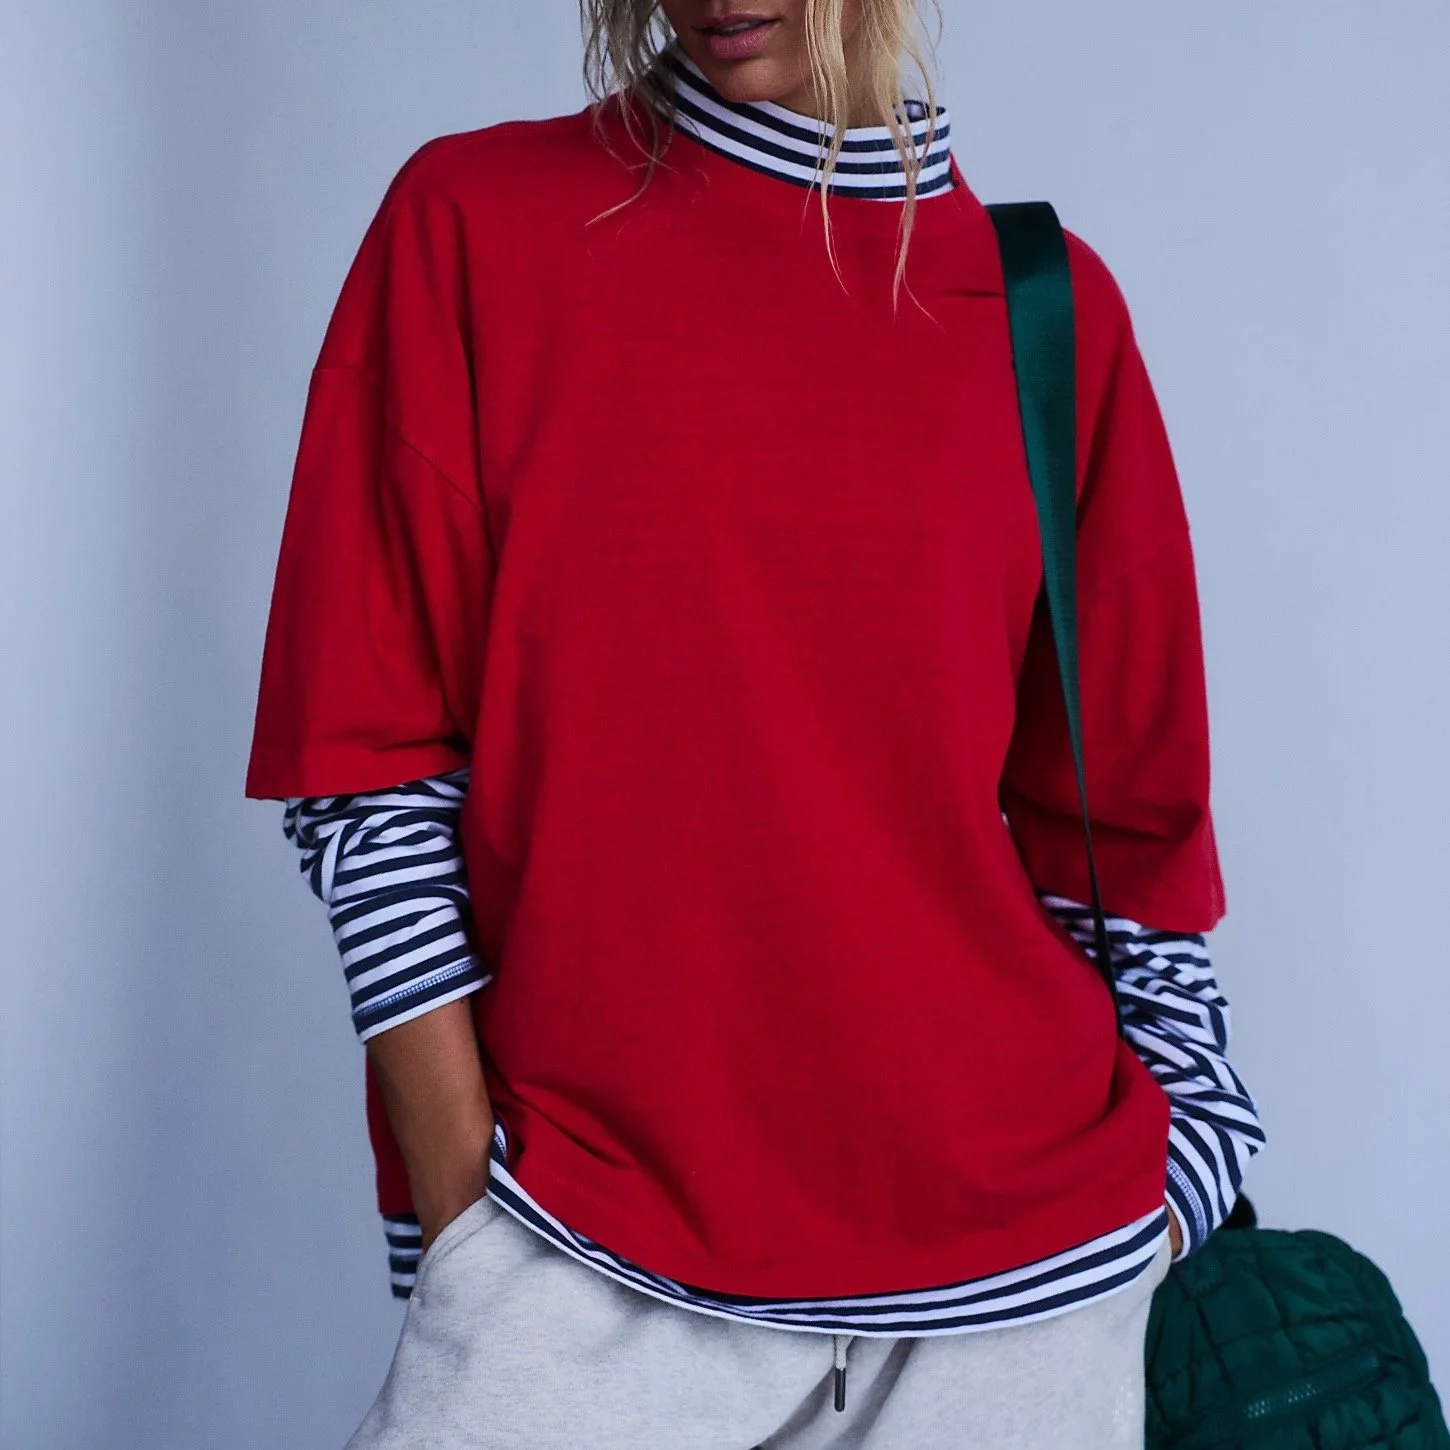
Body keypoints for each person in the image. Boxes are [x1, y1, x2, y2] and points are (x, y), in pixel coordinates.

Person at [245, 2, 1266, 1445]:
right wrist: (468, 1213)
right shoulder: (478, 224)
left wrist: (1183, 1166)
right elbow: (365, 764)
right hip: (583, 1243)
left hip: (1025, 1287)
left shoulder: (1045, 306)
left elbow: (1127, 826)